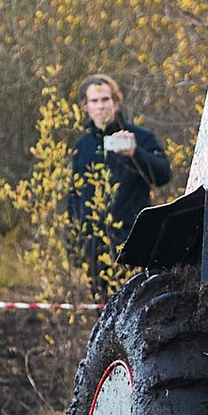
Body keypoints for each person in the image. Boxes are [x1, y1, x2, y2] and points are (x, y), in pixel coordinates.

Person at [67, 74, 172, 288]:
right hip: (94, 246)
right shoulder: (82, 146)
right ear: (85, 107)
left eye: (106, 100)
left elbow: (163, 174)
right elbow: (73, 196)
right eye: (94, 101)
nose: (101, 107)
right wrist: (74, 245)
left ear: (116, 102)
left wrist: (135, 153)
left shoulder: (140, 137)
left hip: (133, 243)